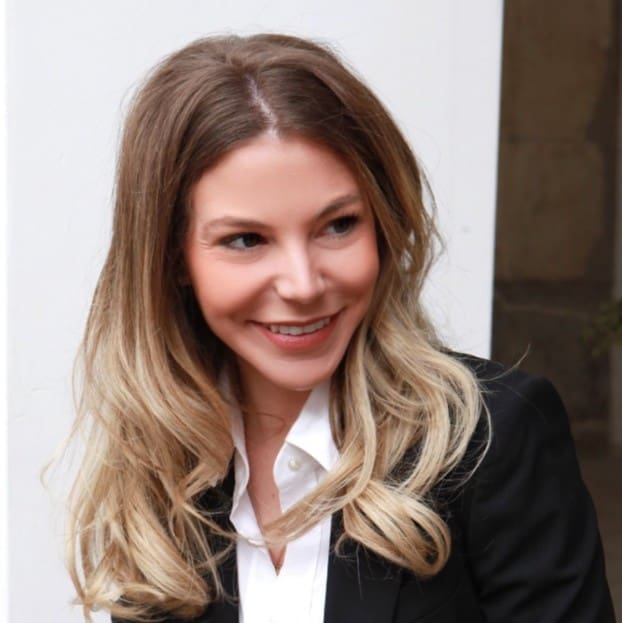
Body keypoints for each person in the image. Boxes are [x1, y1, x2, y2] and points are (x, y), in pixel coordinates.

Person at [66, 34, 615, 623]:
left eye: (338, 225)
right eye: (246, 240)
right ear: (173, 258)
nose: (303, 285)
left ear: (383, 222)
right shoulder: (158, 466)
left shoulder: (492, 440)